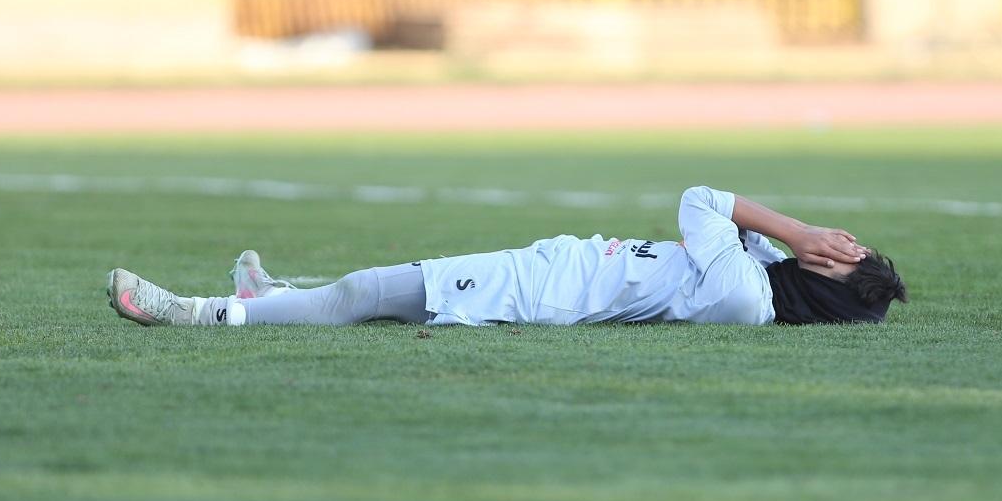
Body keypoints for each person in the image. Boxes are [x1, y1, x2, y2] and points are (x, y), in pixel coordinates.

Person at [106, 185, 907, 329]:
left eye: (848, 252)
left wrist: (799, 232)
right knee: (377, 294)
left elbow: (702, 199)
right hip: (554, 272)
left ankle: (196, 314)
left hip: (544, 292)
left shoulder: (745, 294)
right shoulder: (760, 277)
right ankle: (272, 295)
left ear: (830, 280)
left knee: (363, 293)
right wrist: (797, 244)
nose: (840, 239)